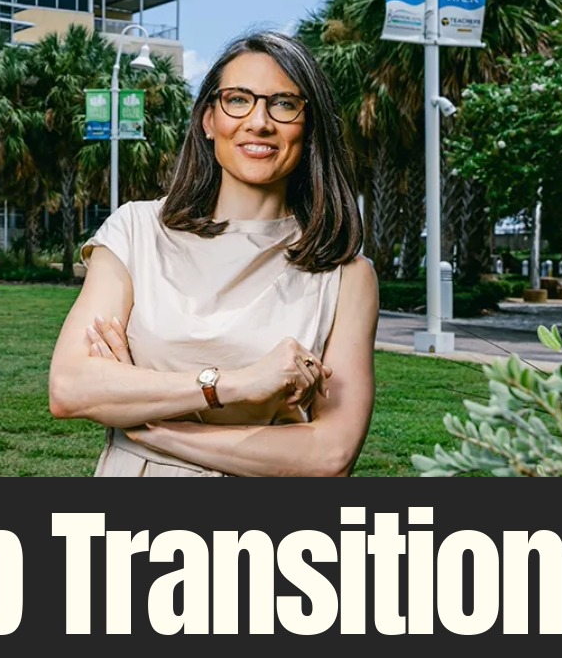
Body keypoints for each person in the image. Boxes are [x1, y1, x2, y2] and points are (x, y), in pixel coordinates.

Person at [48, 31, 379, 477]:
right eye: (238, 99)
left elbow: (329, 456)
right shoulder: (136, 231)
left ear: (310, 125)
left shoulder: (346, 276)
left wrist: (157, 427)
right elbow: (70, 387)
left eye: (283, 103)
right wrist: (237, 384)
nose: (259, 121)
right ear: (208, 119)